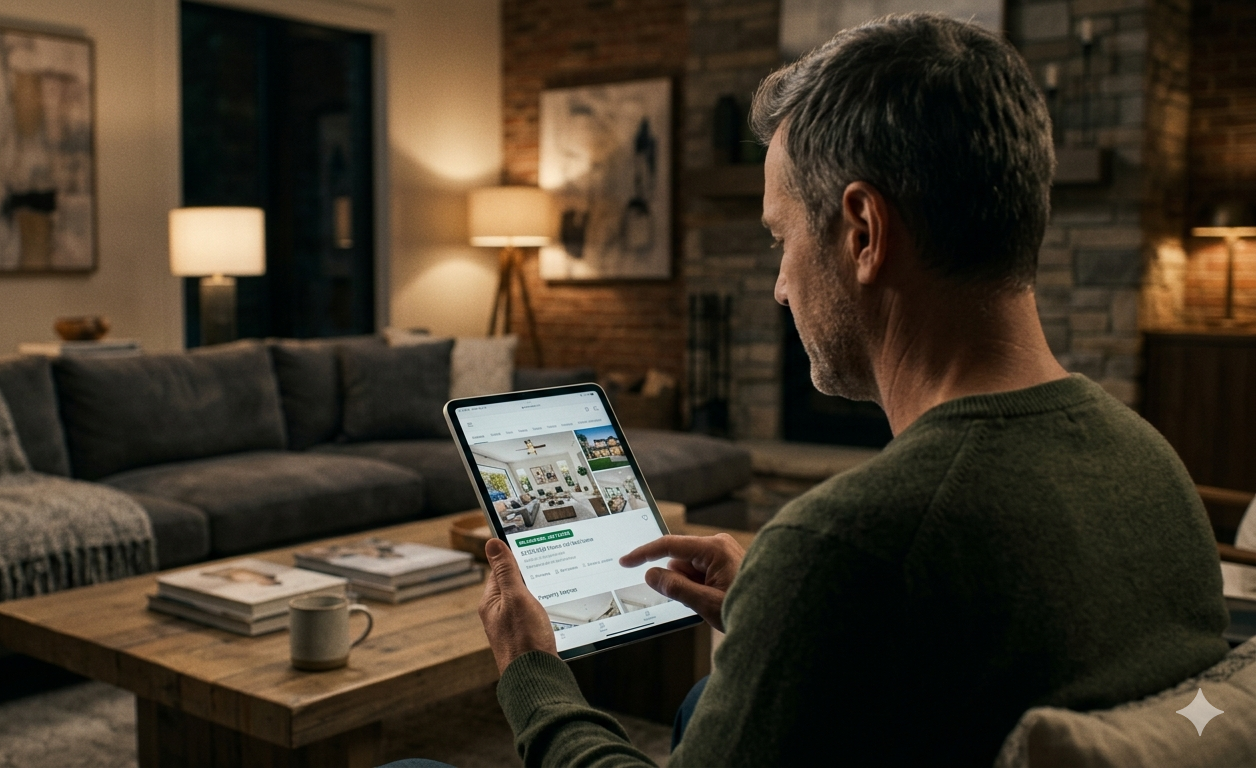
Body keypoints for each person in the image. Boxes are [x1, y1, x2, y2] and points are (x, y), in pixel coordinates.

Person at [476, 13, 1230, 767]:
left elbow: (881, 578)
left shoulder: (848, 546)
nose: (779, 287)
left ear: (864, 231)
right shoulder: (1153, 466)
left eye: (782, 238)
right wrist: (778, 619)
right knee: (707, 699)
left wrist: (531, 673)